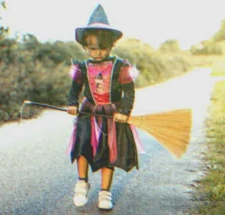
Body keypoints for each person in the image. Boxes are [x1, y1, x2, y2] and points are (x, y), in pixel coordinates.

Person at [66, 4, 140, 210]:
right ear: (85, 47)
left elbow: (129, 92)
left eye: (102, 48)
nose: (97, 52)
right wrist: (72, 104)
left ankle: (105, 193)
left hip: (111, 114)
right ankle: (82, 182)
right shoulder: (82, 67)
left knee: (109, 151)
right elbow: (75, 88)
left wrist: (124, 112)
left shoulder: (120, 66)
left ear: (111, 45)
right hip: (88, 112)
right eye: (92, 48)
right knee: (82, 146)